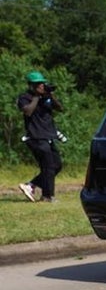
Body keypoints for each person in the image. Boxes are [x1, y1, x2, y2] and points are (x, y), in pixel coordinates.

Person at [16, 70, 65, 203]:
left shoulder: (46, 97)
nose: (42, 86)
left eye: (43, 83)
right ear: (31, 85)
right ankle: (48, 196)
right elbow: (27, 112)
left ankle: (31, 185)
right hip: (35, 137)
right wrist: (37, 97)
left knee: (57, 165)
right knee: (48, 166)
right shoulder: (25, 97)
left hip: (49, 135)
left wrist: (50, 95)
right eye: (39, 84)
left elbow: (60, 108)